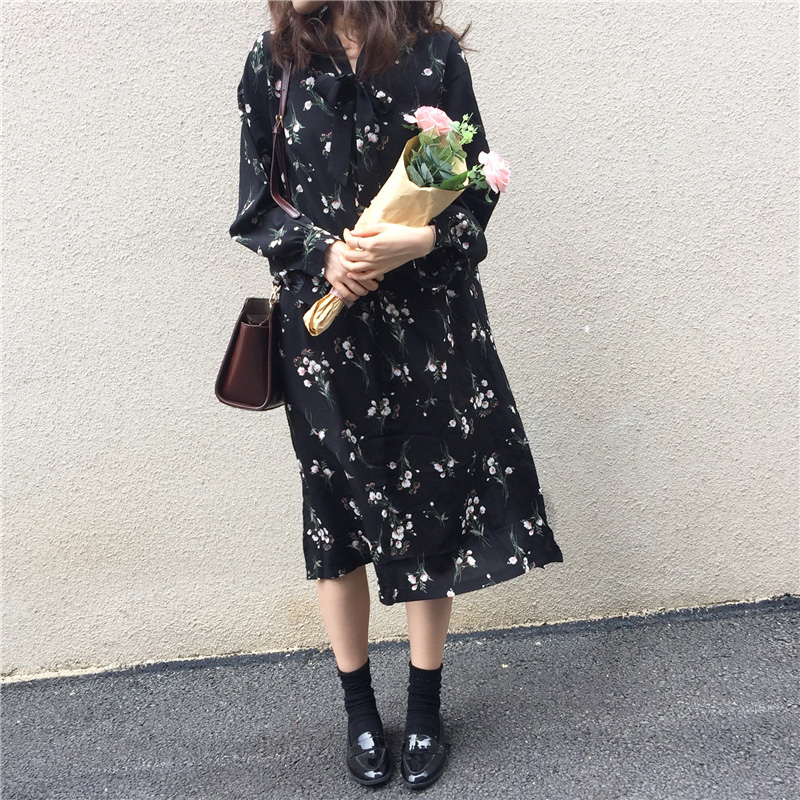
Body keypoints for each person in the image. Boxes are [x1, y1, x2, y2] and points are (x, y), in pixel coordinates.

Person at [229, 0, 564, 789]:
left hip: (427, 330)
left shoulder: (433, 57)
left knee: (431, 508)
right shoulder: (271, 64)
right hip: (325, 336)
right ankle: (358, 710)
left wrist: (424, 238)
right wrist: (323, 255)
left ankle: (422, 707)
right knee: (334, 515)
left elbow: (473, 194)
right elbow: (257, 206)